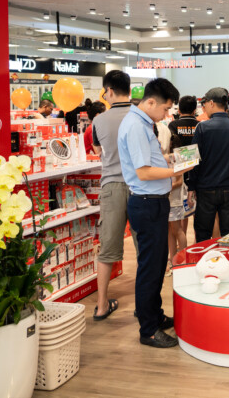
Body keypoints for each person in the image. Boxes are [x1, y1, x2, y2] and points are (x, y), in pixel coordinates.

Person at [118, 78, 193, 348]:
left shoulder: (143, 123)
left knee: (157, 263)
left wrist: (172, 160)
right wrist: (176, 170)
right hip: (147, 203)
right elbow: (144, 172)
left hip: (154, 202)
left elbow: (150, 161)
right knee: (150, 268)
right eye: (165, 108)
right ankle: (148, 329)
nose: (166, 114)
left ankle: (155, 315)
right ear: (150, 102)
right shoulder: (136, 126)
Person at [91, 71, 134, 322]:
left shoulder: (99, 121)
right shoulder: (141, 116)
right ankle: (145, 304)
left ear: (108, 91)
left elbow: (99, 150)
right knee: (144, 246)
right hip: (140, 186)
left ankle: (101, 306)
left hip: (111, 186)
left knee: (107, 249)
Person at [188, 88, 229, 243]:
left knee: (203, 235)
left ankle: (204, 258)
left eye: (205, 104)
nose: (204, 108)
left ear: (212, 103)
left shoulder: (203, 128)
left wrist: (192, 186)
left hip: (205, 189)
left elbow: (194, 161)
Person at [166, 134, 187, 276]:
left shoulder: (177, 158)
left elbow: (179, 182)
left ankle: (183, 260)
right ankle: (173, 260)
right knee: (170, 230)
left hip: (174, 200)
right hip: (168, 199)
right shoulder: (167, 158)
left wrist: (167, 187)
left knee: (177, 229)